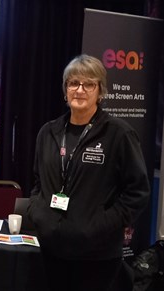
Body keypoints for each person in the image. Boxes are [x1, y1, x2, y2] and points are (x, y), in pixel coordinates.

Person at [28, 54, 149, 291]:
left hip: (97, 257)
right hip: (51, 250)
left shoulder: (119, 134)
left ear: (100, 91)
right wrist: (39, 212)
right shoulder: (49, 132)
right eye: (73, 83)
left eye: (88, 84)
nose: (80, 90)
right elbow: (38, 181)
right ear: (65, 90)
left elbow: (138, 192)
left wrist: (100, 225)